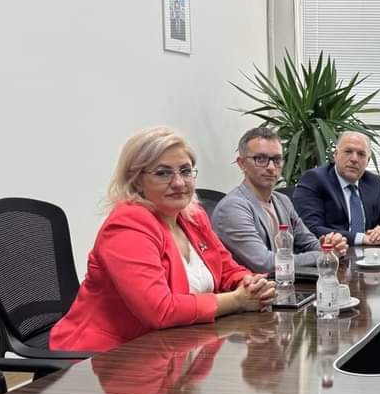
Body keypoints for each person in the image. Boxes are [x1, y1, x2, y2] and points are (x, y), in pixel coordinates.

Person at [50, 127, 276, 353]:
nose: (179, 183)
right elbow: (160, 310)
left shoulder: (193, 216)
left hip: (173, 348)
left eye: (185, 171)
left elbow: (227, 268)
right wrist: (237, 300)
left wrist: (249, 284)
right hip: (107, 356)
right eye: (163, 173)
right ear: (137, 181)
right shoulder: (128, 225)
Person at [212, 126, 348, 273]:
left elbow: (309, 242)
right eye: (261, 159)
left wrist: (329, 246)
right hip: (255, 286)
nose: (271, 167)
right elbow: (265, 264)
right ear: (242, 163)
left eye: (277, 160)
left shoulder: (283, 201)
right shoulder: (232, 208)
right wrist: (325, 255)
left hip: (289, 282)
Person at [292, 131, 380, 247]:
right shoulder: (315, 179)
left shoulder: (373, 183)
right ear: (335, 155)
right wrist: (362, 238)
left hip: (368, 255)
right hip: (330, 254)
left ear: (368, 161)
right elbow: (310, 228)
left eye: (361, 154)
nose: (354, 159)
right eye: (348, 151)